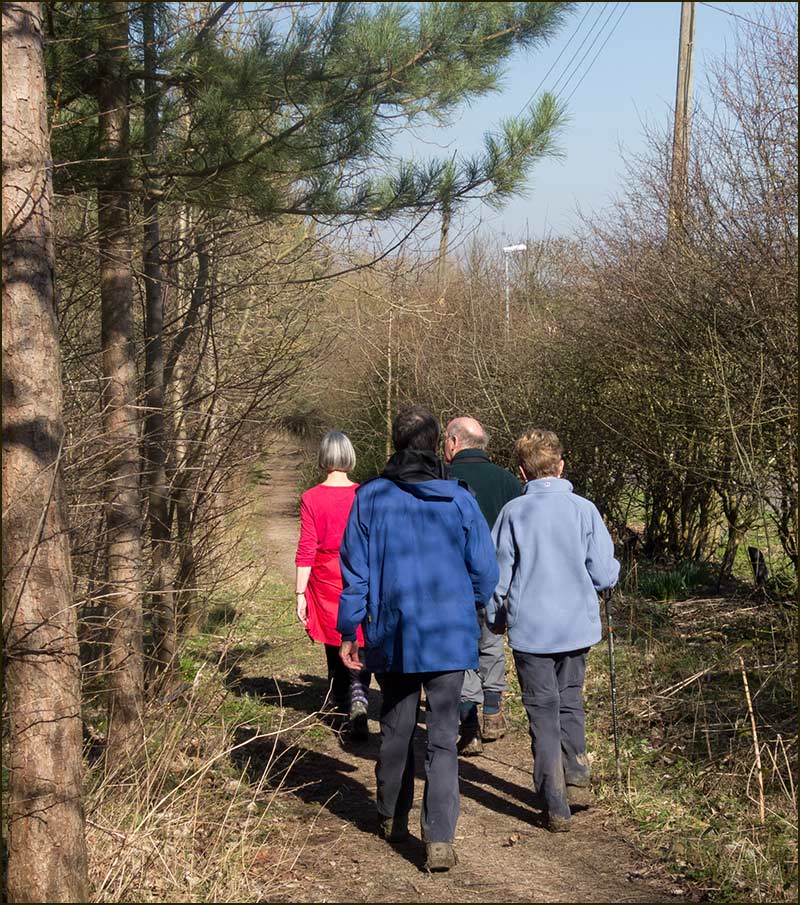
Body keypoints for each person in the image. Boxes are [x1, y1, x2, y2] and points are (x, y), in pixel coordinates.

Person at [337, 405, 499, 871]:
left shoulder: (370, 497)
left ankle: (392, 814)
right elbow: (486, 572)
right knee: (443, 737)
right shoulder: (460, 498)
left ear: (395, 442)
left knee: (397, 728)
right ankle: (440, 838)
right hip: (448, 635)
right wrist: (464, 604)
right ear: (435, 446)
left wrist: (350, 630)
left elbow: (356, 572)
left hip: (395, 633)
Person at [485, 429, 619, 833]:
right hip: (576, 628)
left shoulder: (512, 513)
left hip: (531, 631)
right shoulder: (584, 510)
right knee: (570, 701)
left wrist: (495, 616)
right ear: (560, 466)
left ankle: (555, 801)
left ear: (521, 472)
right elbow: (604, 573)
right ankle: (576, 776)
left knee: (542, 712)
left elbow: (498, 576)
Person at [442, 416, 521, 755]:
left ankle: (468, 723)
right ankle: (492, 710)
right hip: (496, 581)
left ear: (453, 442)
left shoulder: (443, 480)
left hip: (452, 583)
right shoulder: (507, 481)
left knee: (461, 651)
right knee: (491, 643)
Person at [295, 430, 371, 740]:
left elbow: (306, 547)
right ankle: (359, 692)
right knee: (361, 636)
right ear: (349, 456)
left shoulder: (311, 497)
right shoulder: (364, 494)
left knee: (334, 637)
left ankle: (340, 702)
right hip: (360, 574)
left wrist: (299, 593)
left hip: (325, 576)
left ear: (323, 457)